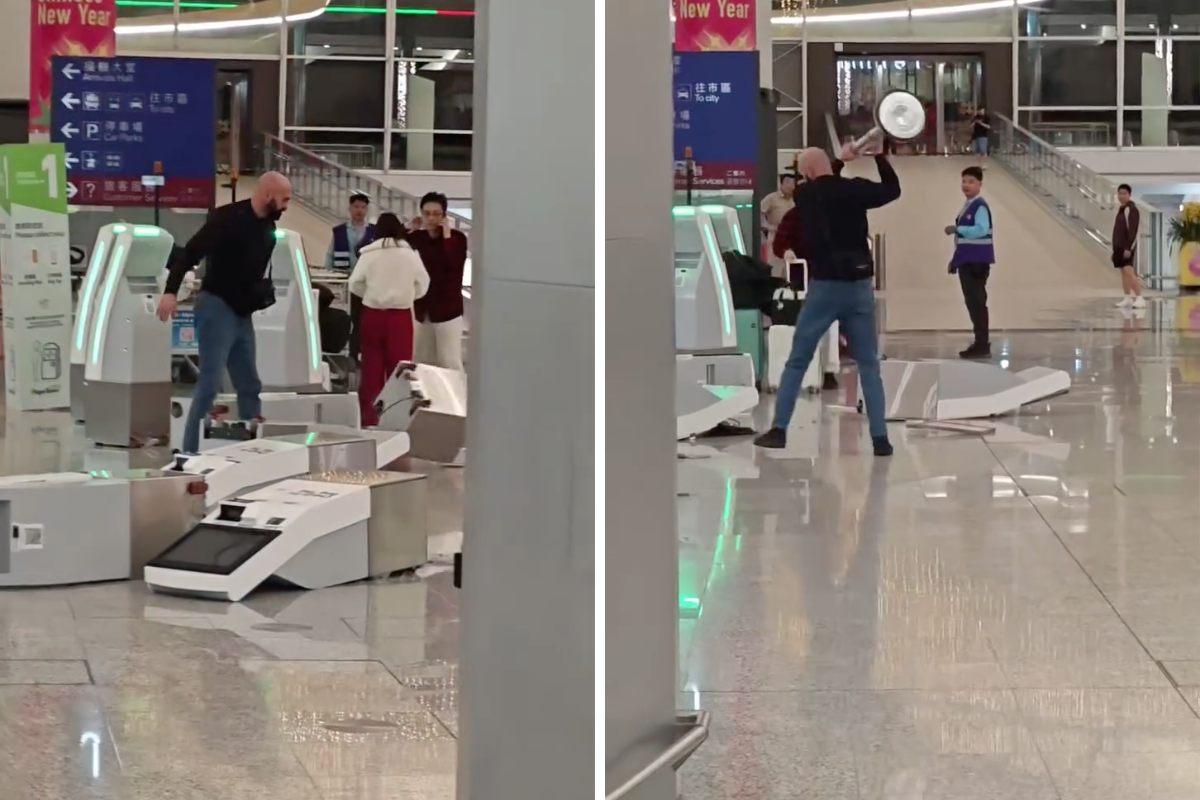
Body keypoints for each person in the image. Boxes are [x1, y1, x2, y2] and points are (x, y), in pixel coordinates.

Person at [754, 136, 900, 457]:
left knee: (797, 360)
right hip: (860, 287)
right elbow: (892, 190)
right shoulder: (855, 190)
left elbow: (820, 184)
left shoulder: (806, 195)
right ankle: (880, 439)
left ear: (805, 173)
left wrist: (840, 160)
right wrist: (879, 158)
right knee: (868, 365)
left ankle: (779, 430)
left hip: (825, 289)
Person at [158, 171, 292, 455]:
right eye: (284, 199)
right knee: (210, 381)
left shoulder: (267, 226)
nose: (286, 206)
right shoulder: (226, 219)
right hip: (216, 306)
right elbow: (189, 253)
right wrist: (170, 291)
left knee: (249, 381)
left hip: (242, 311)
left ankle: (250, 449)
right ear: (267, 195)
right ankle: (190, 452)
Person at [348, 212, 430, 426]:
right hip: (400, 317)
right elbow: (423, 283)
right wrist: (408, 296)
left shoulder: (370, 254)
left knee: (371, 368)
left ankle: (369, 418)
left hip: (373, 315)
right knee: (399, 370)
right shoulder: (410, 254)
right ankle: (397, 418)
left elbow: (354, 283)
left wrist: (371, 295)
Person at [404, 192, 469, 371]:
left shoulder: (457, 238)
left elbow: (454, 263)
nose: (430, 218)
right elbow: (392, 244)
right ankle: (425, 398)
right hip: (421, 308)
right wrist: (407, 228)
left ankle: (456, 398)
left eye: (436, 213)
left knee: (449, 360)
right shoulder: (417, 237)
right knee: (421, 361)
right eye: (427, 213)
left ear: (444, 215)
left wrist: (447, 235)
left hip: (448, 310)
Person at [945, 166, 994, 359]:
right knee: (973, 303)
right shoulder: (968, 205)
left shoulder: (979, 206)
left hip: (977, 262)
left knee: (977, 303)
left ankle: (982, 343)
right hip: (968, 260)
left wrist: (958, 229)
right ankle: (980, 341)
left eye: (971, 181)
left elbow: (982, 229)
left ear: (980, 184)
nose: (966, 185)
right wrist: (955, 260)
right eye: (964, 181)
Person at [324, 192, 375, 272]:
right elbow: (330, 254)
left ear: (367, 209)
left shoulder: (374, 231)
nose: (359, 210)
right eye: (356, 207)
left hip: (367, 274)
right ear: (350, 208)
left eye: (363, 207)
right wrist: (328, 271)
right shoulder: (339, 231)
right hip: (342, 274)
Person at [1112, 183, 1145, 310]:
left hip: (1127, 246)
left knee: (1129, 271)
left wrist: (1128, 247)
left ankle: (1139, 297)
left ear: (1129, 195)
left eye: (1124, 193)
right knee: (1123, 272)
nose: (1121, 196)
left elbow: (1132, 230)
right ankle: (1127, 297)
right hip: (1118, 245)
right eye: (1119, 193)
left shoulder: (1131, 209)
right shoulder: (1121, 209)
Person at [761, 173, 797, 279]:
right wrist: (767, 226)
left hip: (791, 238)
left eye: (793, 183)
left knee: (789, 268)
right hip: (775, 236)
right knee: (775, 267)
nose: (790, 186)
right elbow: (759, 212)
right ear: (781, 183)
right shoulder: (772, 198)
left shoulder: (794, 199)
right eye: (787, 182)